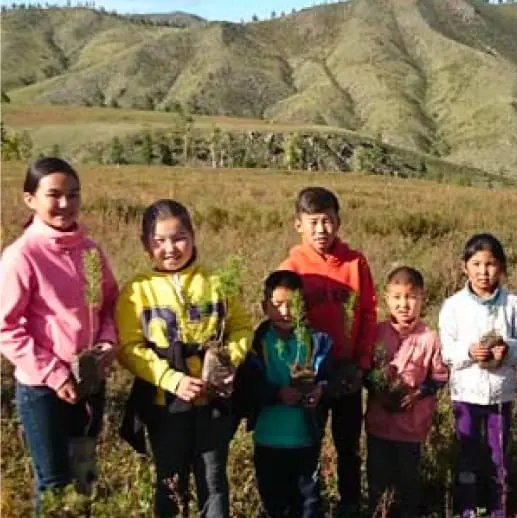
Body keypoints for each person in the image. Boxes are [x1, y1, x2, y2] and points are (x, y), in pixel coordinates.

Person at [116, 199, 253, 518]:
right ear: (145, 244)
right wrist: (172, 380)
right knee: (170, 482)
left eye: (179, 238)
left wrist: (227, 360)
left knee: (214, 479)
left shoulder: (217, 282)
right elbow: (130, 348)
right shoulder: (137, 291)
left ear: (193, 237)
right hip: (166, 407)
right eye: (158, 241)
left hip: (213, 405)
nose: (170, 248)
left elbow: (241, 327)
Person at [0, 157, 119, 509]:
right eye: (54, 195)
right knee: (54, 485)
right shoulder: (22, 256)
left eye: (73, 194)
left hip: (89, 381)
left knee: (84, 478)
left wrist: (109, 342)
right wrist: (53, 374)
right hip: (42, 390)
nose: (65, 204)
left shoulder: (90, 251)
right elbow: (6, 328)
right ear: (30, 199)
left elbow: (110, 302)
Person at [279, 186, 377, 516]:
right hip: (311, 377)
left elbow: (368, 313)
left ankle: (349, 505)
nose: (321, 230)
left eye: (328, 221)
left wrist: (362, 364)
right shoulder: (292, 268)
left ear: (338, 221)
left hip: (347, 371)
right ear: (298, 224)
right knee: (308, 443)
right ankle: (309, 506)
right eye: (314, 222)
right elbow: (282, 323)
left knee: (348, 445)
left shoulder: (355, 262)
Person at [439, 233, 517, 518]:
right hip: (465, 394)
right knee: (468, 453)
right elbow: (446, 351)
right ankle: (468, 507)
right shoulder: (453, 306)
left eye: (490, 264)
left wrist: (508, 350)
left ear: (501, 267)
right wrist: (469, 352)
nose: (483, 271)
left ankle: (497, 508)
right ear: (464, 267)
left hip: (500, 395)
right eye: (476, 263)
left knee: (498, 455)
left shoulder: (514, 305)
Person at [236, 270, 332, 518]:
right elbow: (247, 387)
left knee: (309, 504)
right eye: (277, 304)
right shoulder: (255, 344)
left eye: (293, 304)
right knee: (274, 505)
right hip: (269, 440)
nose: (285, 312)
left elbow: (327, 378)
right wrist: (277, 394)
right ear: (264, 306)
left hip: (306, 440)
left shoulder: (317, 342)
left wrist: (320, 391)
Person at [364, 266, 449, 517]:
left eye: (411, 297)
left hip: (411, 428)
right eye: (397, 297)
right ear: (387, 298)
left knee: (408, 483)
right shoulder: (376, 332)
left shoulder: (430, 337)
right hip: (378, 425)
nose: (404, 304)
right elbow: (366, 369)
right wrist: (378, 388)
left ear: (423, 298)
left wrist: (419, 393)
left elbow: (439, 376)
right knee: (377, 481)